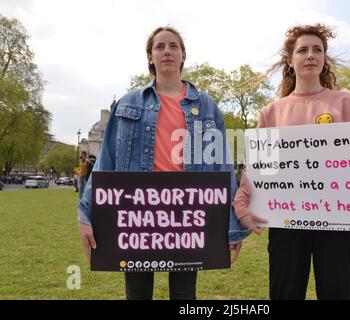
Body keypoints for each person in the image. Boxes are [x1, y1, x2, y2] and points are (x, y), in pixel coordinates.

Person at [233, 24, 350, 300]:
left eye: (317, 50)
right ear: (290, 60)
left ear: (324, 59)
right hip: (287, 223)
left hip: (339, 223)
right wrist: (241, 204)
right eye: (302, 50)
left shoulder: (346, 103)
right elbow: (255, 170)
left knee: (338, 293)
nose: (310, 55)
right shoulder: (271, 112)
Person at [77, 26, 249, 300]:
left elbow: (222, 167)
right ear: (150, 57)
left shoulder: (207, 107)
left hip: (188, 215)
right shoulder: (127, 103)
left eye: (173, 46)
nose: (167, 51)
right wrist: (87, 214)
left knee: (184, 294)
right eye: (160, 46)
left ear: (183, 55)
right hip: (136, 214)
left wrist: (232, 224)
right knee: (137, 292)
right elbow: (106, 162)